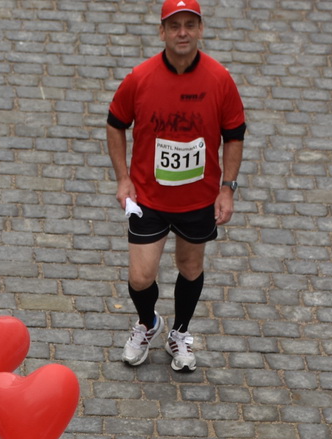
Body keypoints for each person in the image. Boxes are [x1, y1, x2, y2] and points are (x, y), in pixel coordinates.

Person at [106, 0, 245, 372]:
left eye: (189, 25)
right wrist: (123, 178)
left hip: (198, 199)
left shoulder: (219, 80)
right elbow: (115, 123)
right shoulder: (140, 78)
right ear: (162, 32)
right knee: (140, 276)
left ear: (200, 29)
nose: (182, 32)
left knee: (190, 266)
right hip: (149, 197)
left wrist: (227, 188)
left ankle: (179, 334)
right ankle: (149, 323)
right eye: (174, 26)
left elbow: (234, 135)